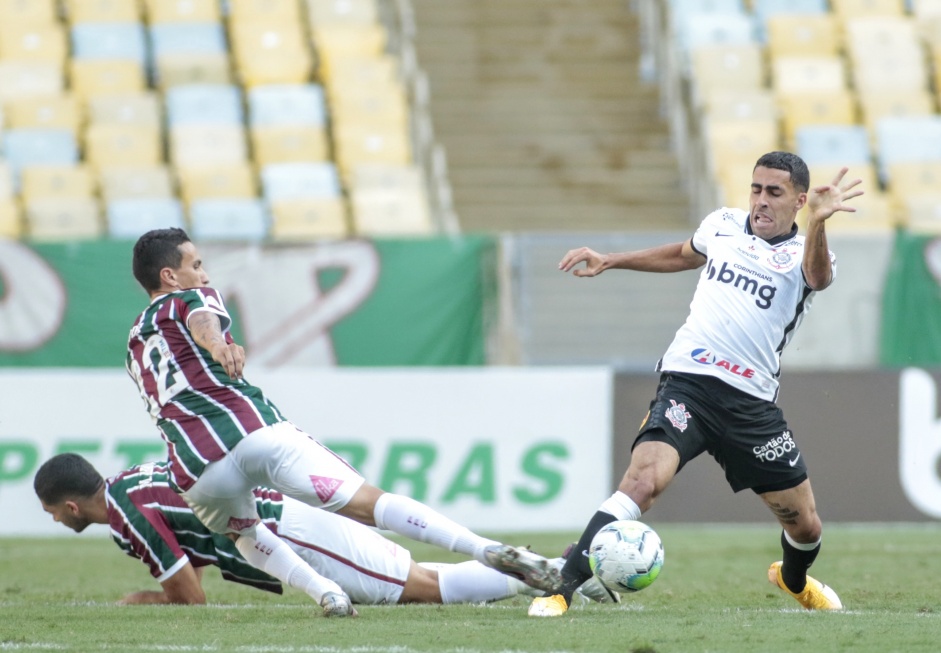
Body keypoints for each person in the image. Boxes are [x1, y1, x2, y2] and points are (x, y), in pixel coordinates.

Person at [125, 228, 561, 618]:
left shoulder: (134, 344)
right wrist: (219, 345)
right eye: (195, 264)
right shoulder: (190, 298)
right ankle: (484, 548)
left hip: (196, 472)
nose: (204, 274)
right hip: (251, 432)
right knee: (370, 503)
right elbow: (202, 321)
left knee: (246, 535)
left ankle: (325, 594)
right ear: (169, 276)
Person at [529, 152, 861, 617]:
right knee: (644, 480)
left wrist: (821, 223)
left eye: (774, 193)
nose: (760, 201)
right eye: (756, 189)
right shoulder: (722, 225)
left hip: (750, 406)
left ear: (800, 201)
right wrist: (611, 260)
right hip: (689, 384)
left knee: (805, 527)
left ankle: (793, 579)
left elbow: (819, 278)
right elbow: (682, 254)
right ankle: (560, 588)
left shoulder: (804, 252)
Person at [33, 453, 548, 608]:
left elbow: (189, 596)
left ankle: (555, 577)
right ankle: (555, 569)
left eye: (53, 510)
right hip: (286, 521)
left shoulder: (125, 515)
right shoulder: (129, 483)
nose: (55, 518)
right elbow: (192, 554)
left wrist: (145, 601)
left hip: (287, 532)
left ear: (73, 505)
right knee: (418, 577)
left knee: (421, 590)